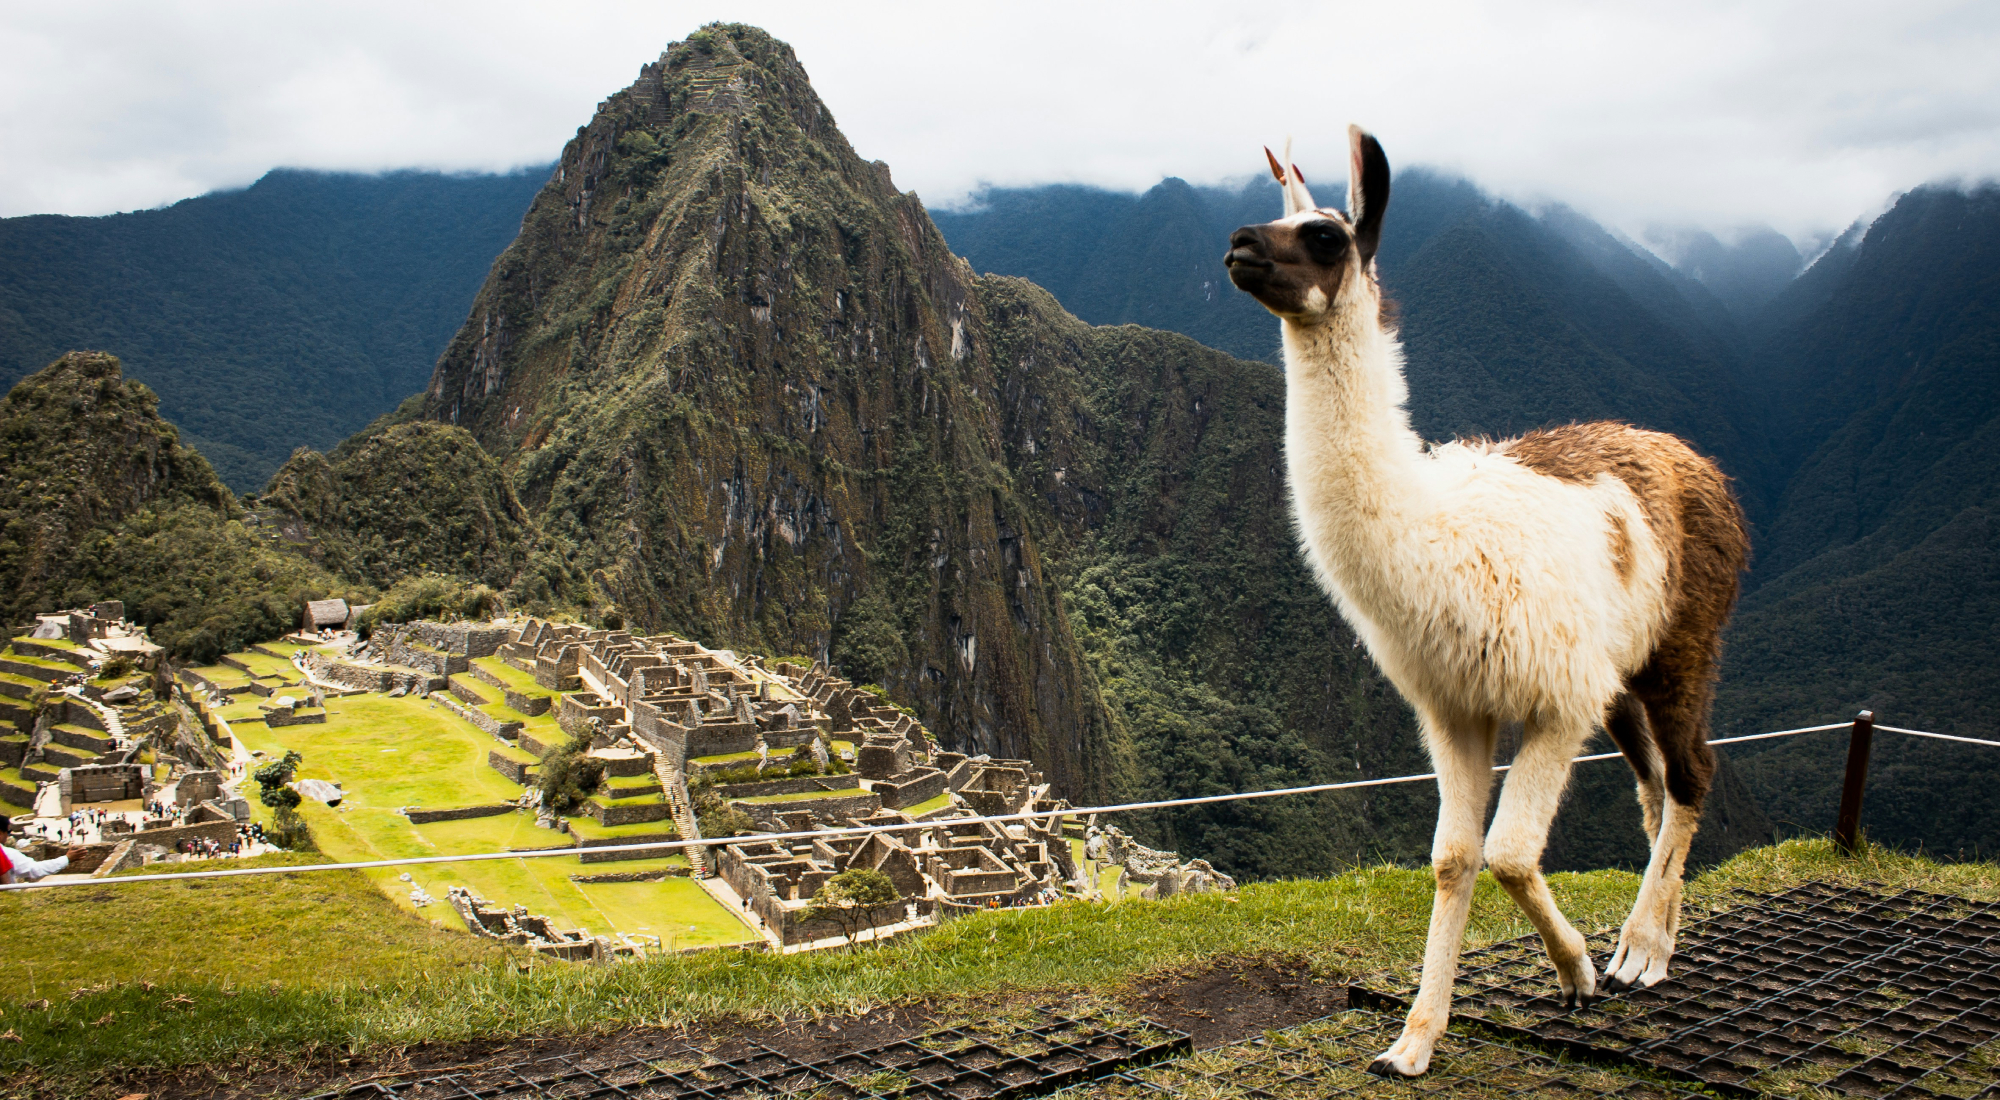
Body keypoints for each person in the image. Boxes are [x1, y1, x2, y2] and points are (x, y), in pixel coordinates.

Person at [0, 818, 81, 884]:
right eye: (8, 831)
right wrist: (66, 859)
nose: (8, 835)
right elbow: (35, 869)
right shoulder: (7, 853)